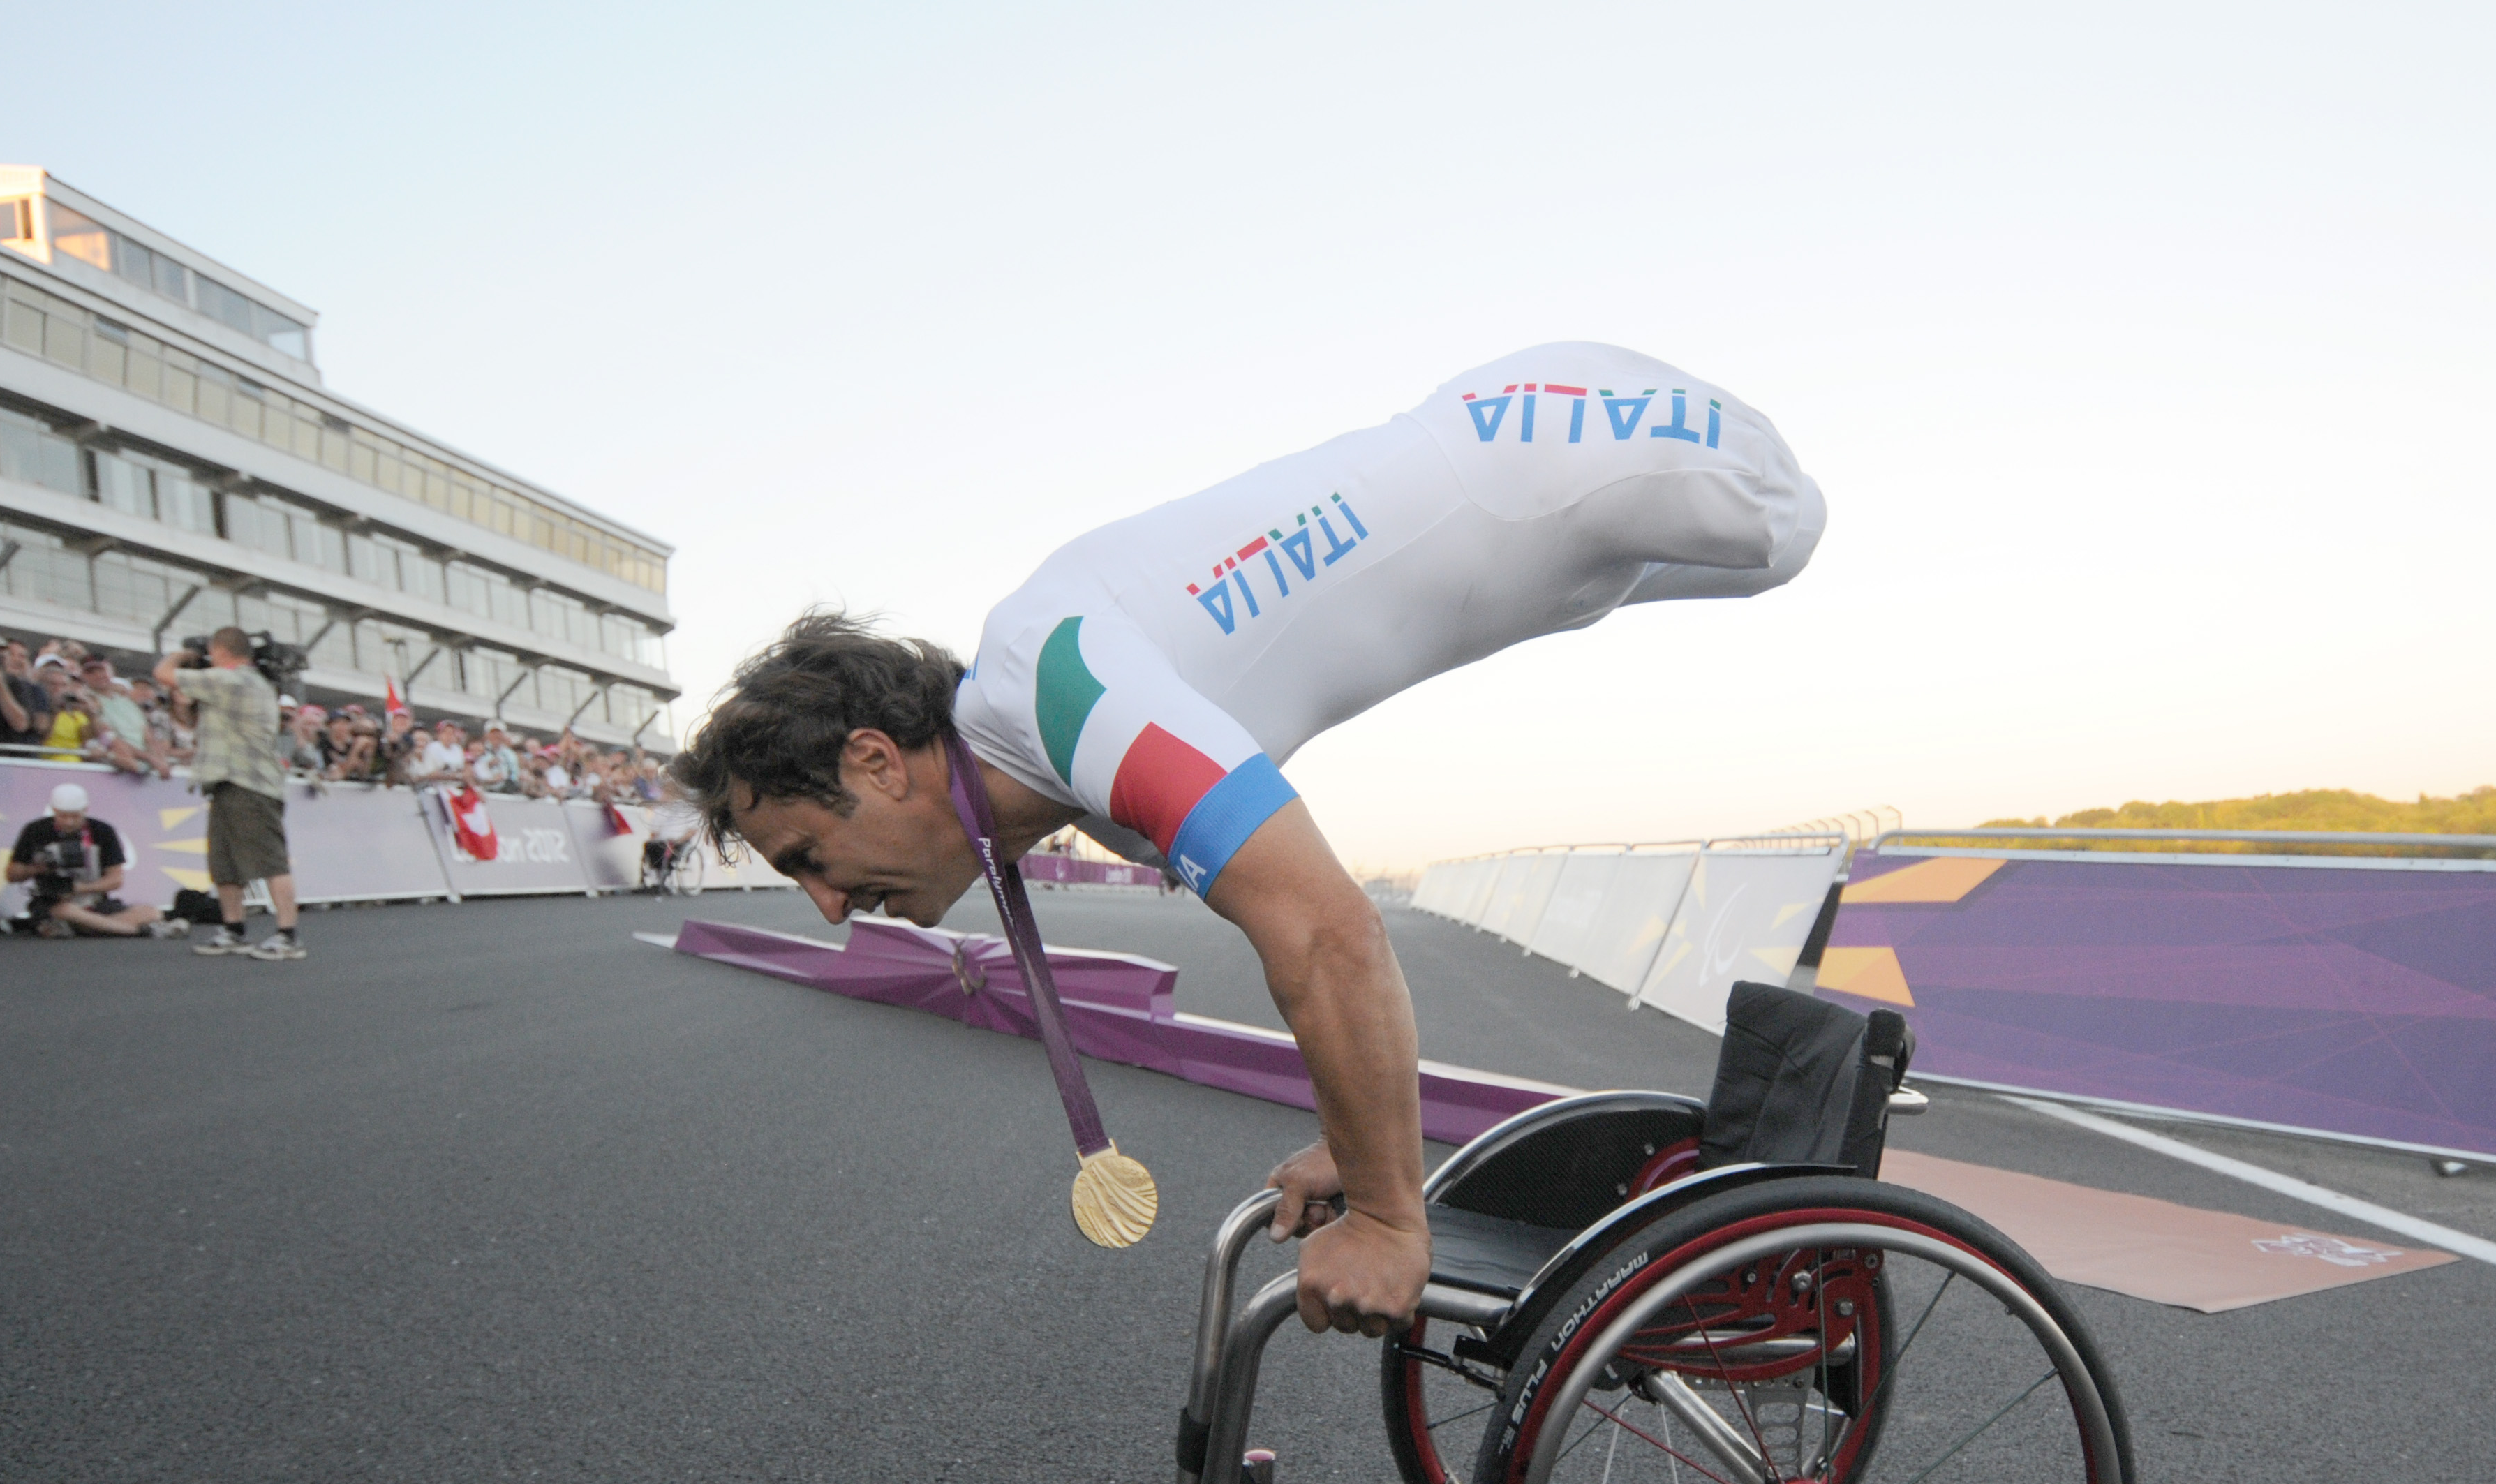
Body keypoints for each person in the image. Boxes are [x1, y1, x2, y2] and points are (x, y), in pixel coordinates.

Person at [669, 342, 1822, 1334]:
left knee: (1792, 533)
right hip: (1550, 517)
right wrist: (1363, 1140)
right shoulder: (1072, 763)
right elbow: (1320, 951)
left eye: (806, 856)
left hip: (1552, 441)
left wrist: (1384, 1210)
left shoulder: (1059, 689)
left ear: (875, 758)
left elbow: (1327, 932)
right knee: (1657, 573)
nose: (823, 905)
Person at [156, 626, 306, 960]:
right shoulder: (246, 684)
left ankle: (287, 935)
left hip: (248, 783)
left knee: (270, 860)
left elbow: (164, 673)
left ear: (219, 650)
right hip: (227, 781)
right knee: (224, 863)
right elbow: (190, 715)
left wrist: (185, 656)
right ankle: (233, 928)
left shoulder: (233, 680)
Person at [0, 782, 181, 937]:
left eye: (75, 816)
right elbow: (12, 874)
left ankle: (96, 926)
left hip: (94, 900)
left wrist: (78, 889)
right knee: (64, 911)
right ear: (53, 811)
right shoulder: (35, 830)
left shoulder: (103, 831)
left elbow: (116, 879)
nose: (69, 822)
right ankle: (131, 929)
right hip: (54, 901)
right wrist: (36, 869)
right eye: (63, 816)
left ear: (85, 810)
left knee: (151, 911)